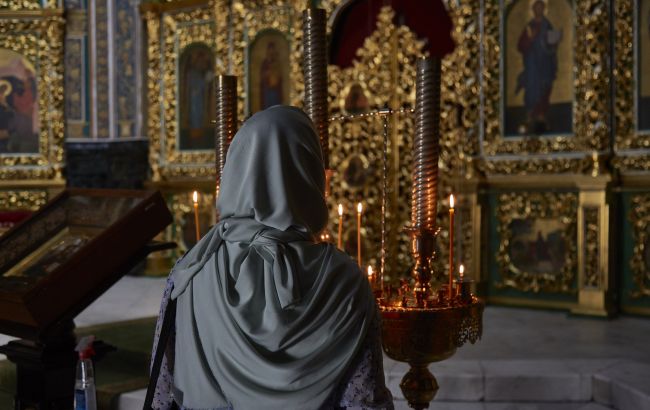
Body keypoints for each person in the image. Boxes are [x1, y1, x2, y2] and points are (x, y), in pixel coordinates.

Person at [147, 105, 393, 410]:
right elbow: (364, 400)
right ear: (309, 172)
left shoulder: (190, 273)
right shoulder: (344, 280)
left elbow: (162, 393)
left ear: (237, 168)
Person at [515, 0, 562, 135]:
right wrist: (530, 38)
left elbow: (552, 46)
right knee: (532, 88)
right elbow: (520, 46)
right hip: (532, 65)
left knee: (545, 89)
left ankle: (541, 116)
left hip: (546, 64)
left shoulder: (548, 25)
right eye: (537, 8)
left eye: (541, 8)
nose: (539, 10)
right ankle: (530, 115)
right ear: (533, 10)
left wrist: (554, 42)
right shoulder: (529, 26)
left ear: (544, 9)